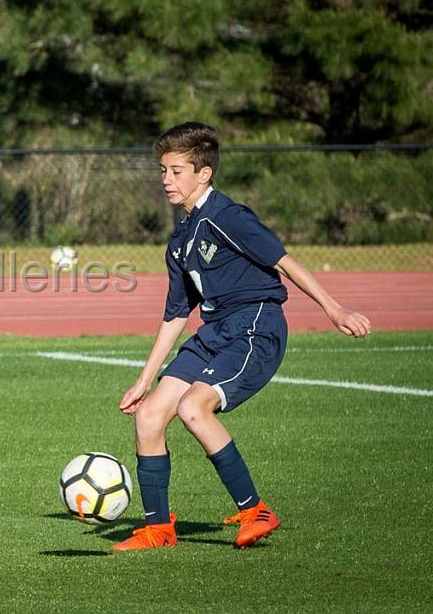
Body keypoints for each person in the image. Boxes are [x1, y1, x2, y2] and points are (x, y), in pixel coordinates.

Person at [113, 121, 371, 551]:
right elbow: (177, 314)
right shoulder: (180, 239)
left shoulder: (226, 217)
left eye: (176, 171)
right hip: (213, 332)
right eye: (163, 170)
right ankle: (158, 528)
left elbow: (284, 262)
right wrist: (144, 378)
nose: (166, 179)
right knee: (150, 415)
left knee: (195, 408)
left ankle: (256, 511)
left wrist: (334, 308)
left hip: (254, 326)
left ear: (204, 173)